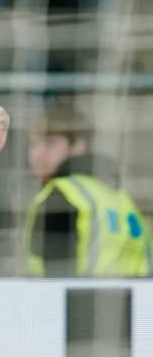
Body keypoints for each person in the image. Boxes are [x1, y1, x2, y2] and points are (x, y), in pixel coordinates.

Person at [25, 98, 151, 277]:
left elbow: (55, 277)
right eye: (33, 144)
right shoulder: (120, 197)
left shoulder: (61, 195)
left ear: (78, 146)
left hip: (77, 302)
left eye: (50, 143)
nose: (37, 153)